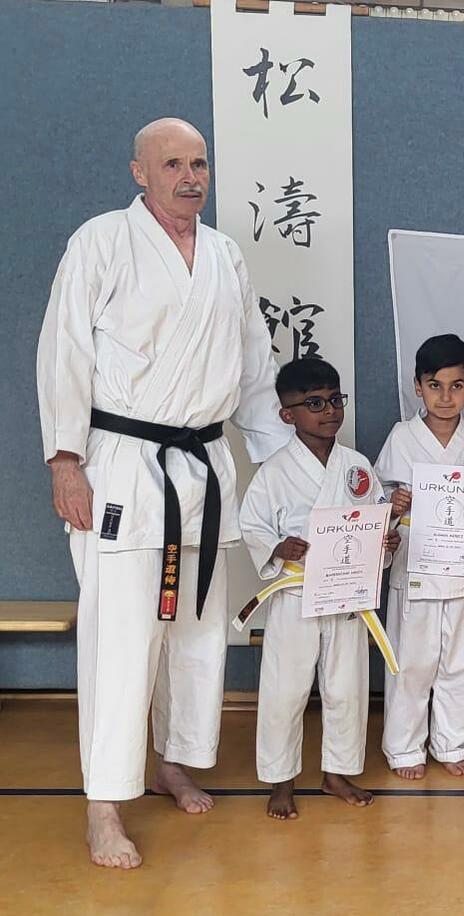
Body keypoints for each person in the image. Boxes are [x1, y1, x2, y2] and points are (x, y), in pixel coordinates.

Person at [36, 118, 287, 868]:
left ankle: (172, 758)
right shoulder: (101, 242)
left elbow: (254, 375)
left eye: (200, 162)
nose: (190, 176)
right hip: (121, 463)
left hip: (203, 468)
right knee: (121, 636)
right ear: (139, 172)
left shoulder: (224, 256)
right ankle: (104, 803)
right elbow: (64, 351)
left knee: (197, 627)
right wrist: (64, 459)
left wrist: (298, 470)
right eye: (172, 163)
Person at [240, 358, 398, 819]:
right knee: (285, 691)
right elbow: (251, 524)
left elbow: (373, 518)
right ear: (287, 414)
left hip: (347, 596)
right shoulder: (274, 470)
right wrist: (278, 547)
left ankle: (337, 772)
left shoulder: (357, 466)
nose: (328, 410)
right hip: (295, 596)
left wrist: (384, 541)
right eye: (314, 403)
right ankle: (281, 779)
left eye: (334, 400)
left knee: (347, 687)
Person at [374, 334, 464, 779]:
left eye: (456, 386)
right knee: (412, 661)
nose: (445, 397)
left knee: (461, 661)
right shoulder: (401, 438)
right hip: (416, 564)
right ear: (417, 386)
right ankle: (404, 747)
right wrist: (394, 506)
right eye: (435, 385)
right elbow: (380, 497)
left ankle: (452, 742)